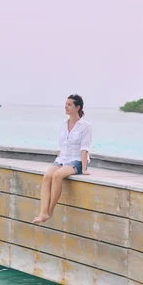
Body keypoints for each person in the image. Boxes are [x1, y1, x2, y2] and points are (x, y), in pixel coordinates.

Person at [33, 94, 91, 224]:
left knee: (57, 176)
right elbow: (61, 146)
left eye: (69, 104)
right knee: (47, 176)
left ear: (77, 107)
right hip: (62, 159)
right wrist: (57, 161)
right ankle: (42, 213)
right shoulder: (63, 124)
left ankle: (50, 211)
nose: (66, 106)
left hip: (77, 160)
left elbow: (85, 148)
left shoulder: (85, 126)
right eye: (66, 104)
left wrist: (84, 168)